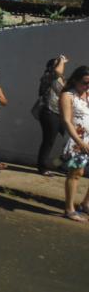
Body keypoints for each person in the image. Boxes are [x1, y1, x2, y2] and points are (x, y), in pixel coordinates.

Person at [59, 65, 89, 223]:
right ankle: (69, 209)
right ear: (76, 80)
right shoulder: (67, 95)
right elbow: (66, 120)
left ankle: (86, 203)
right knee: (76, 173)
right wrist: (79, 141)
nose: (87, 86)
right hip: (78, 141)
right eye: (85, 82)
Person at [37, 55, 67, 176]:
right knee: (48, 141)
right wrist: (62, 60)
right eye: (57, 63)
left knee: (69, 141)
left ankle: (58, 164)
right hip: (49, 113)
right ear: (50, 67)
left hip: (61, 114)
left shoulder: (62, 79)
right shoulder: (48, 77)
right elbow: (58, 71)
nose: (60, 64)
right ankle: (42, 167)